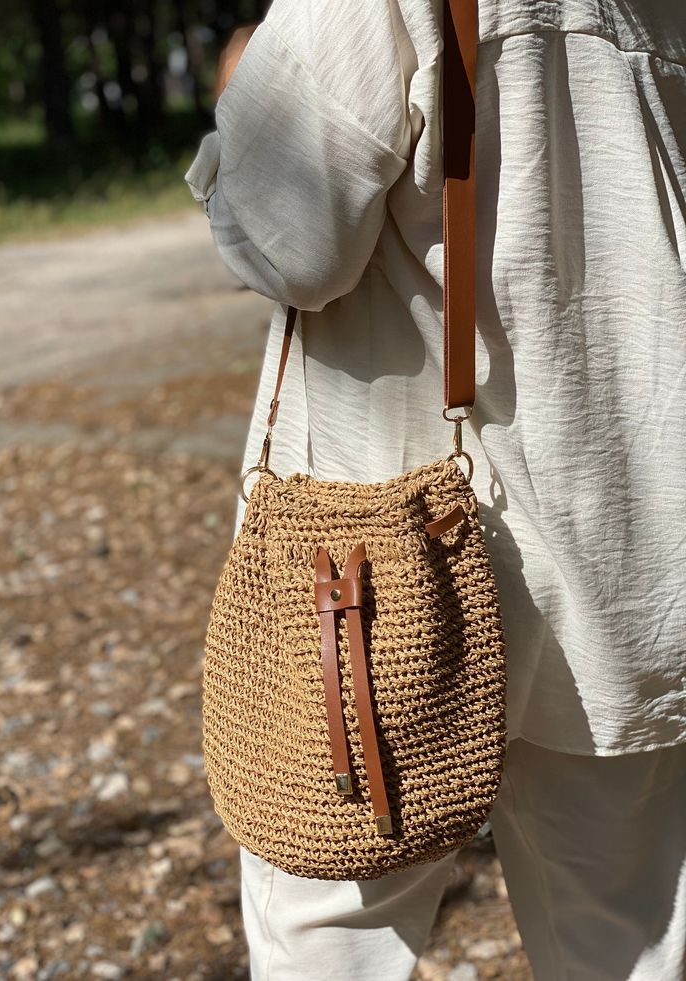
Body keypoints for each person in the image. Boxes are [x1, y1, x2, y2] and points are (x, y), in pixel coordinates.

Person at [185, 1, 686, 978]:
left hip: (378, 556)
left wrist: (239, 103)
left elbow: (286, 239)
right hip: (632, 526)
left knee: (326, 933)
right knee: (625, 937)